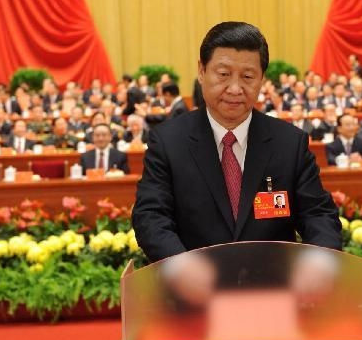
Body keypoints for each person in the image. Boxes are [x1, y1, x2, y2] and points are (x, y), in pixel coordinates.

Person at [132, 21, 342, 262]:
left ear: (262, 79)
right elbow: (151, 216)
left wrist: (320, 263)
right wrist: (183, 269)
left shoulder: (289, 143)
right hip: (193, 288)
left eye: (247, 76)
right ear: (201, 71)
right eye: (223, 74)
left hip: (272, 287)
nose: (234, 88)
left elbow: (318, 214)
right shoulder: (168, 142)